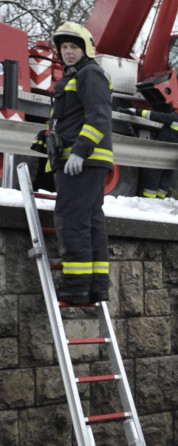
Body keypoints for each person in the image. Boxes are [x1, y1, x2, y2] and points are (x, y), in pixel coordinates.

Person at [31, 22, 113, 305]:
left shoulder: (90, 73)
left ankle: (75, 286)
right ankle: (95, 287)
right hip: (80, 161)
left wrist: (79, 151)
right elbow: (74, 118)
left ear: (86, 48)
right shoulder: (76, 76)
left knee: (72, 221)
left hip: (82, 162)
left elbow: (99, 116)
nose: (68, 52)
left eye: (73, 47)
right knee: (90, 223)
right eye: (64, 47)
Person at [124, 95, 178, 198]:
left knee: (154, 173)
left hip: (163, 152)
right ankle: (160, 198)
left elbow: (155, 116)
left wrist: (137, 111)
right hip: (176, 156)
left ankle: (149, 199)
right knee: (167, 176)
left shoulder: (175, 118)